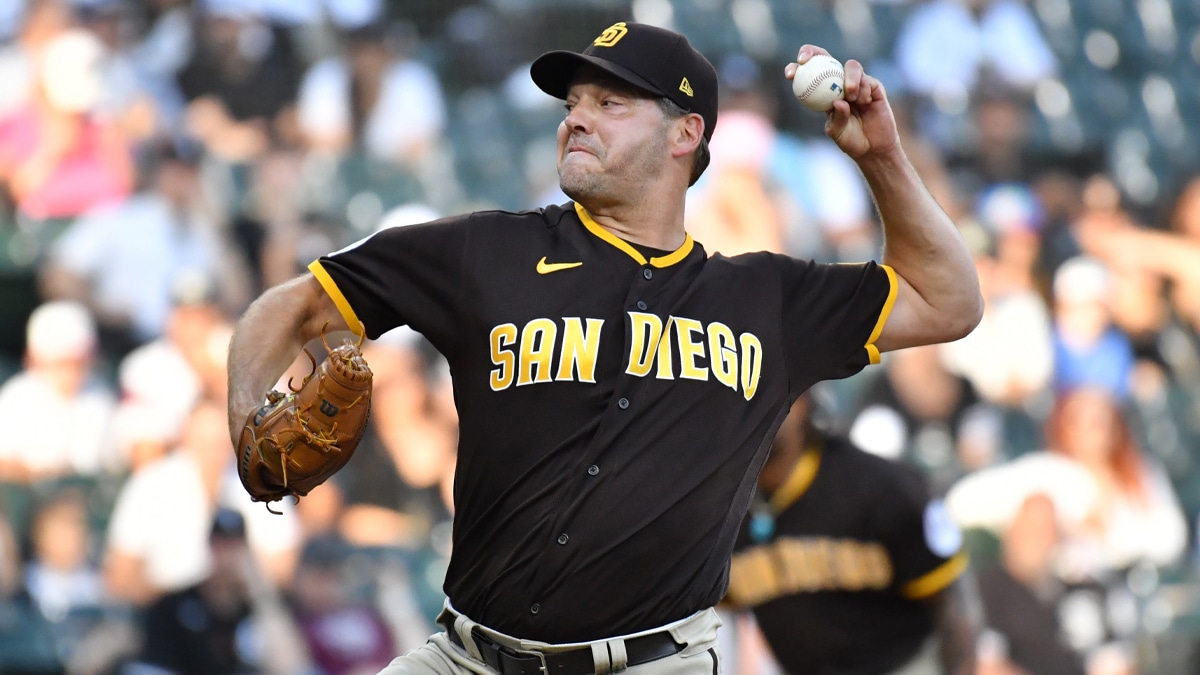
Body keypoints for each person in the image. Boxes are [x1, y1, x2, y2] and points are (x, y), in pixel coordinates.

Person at [226, 21, 983, 675]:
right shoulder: (483, 253)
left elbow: (948, 300)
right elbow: (290, 308)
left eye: (609, 103)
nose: (576, 119)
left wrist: (880, 157)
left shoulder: (767, 302)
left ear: (686, 132)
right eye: (573, 103)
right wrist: (243, 423)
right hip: (469, 653)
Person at [722, 391, 979, 675]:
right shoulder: (714, 510)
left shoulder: (880, 487)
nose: (753, 416)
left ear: (804, 403)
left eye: (765, 399)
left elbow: (951, 600)